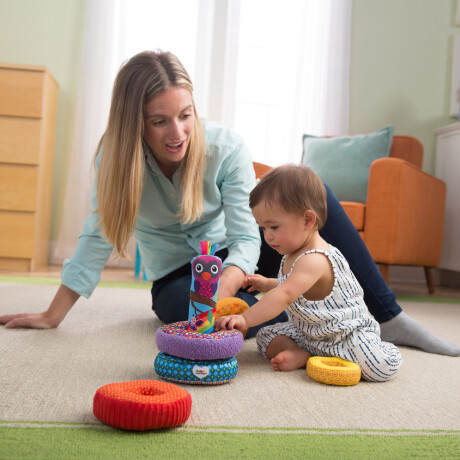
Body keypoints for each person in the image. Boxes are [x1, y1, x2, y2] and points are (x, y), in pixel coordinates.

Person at [0, 50, 458, 357]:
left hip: (239, 257)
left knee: (311, 190)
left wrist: (227, 288)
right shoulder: (115, 159)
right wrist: (52, 314)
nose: (177, 134)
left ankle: (388, 318)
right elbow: (97, 234)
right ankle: (324, 326)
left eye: (184, 116)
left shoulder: (224, 146)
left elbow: (245, 235)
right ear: (133, 123)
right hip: (179, 278)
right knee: (212, 320)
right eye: (159, 122)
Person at [215, 165, 403, 381]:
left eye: (273, 227)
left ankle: (379, 347)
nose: (267, 237)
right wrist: (267, 283)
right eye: (263, 228)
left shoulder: (315, 259)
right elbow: (294, 287)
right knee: (267, 337)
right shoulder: (291, 253)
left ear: (307, 220)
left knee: (379, 367)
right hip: (309, 333)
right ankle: (303, 354)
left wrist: (245, 319)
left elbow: (285, 295)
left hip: (345, 335)